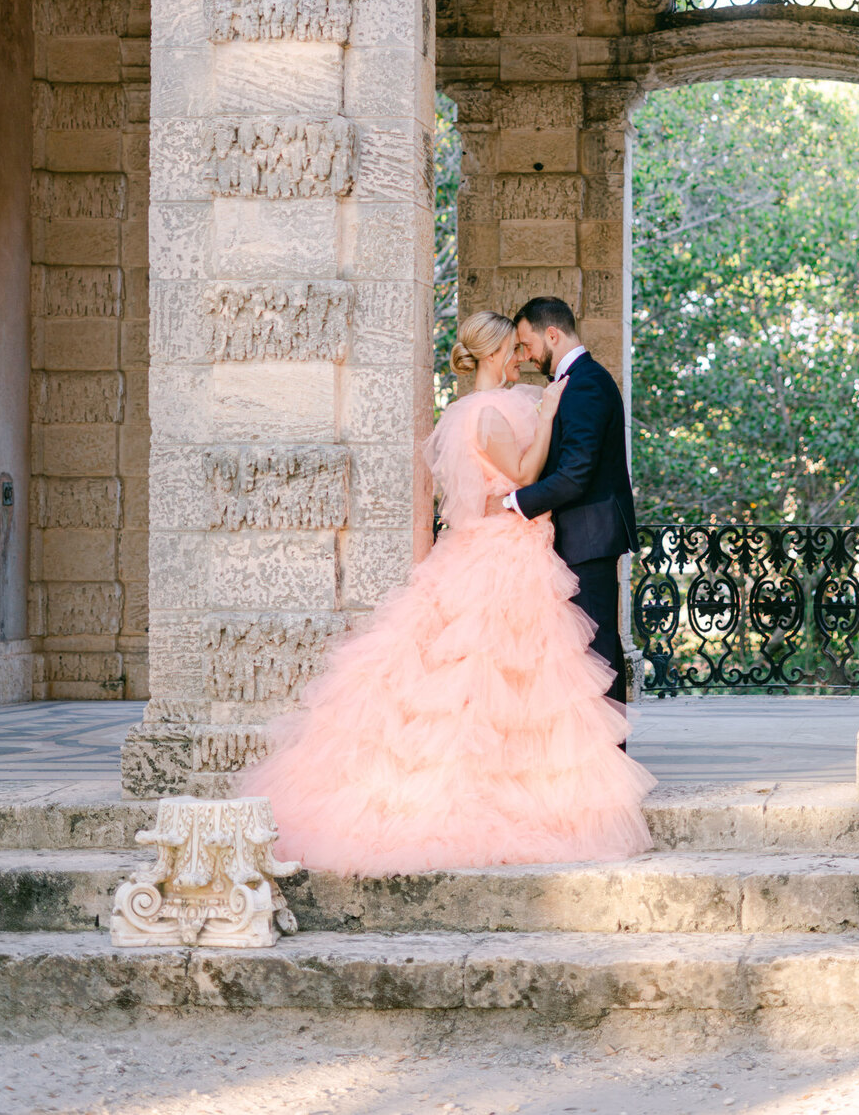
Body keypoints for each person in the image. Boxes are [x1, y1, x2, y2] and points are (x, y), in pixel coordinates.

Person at [242, 309, 654, 875]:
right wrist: (544, 428)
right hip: (509, 544)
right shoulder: (495, 411)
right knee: (507, 669)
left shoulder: (482, 407)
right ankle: (514, 783)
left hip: (515, 541)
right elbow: (531, 474)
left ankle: (545, 776)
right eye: (514, 349)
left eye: (524, 346)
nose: (522, 357)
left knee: (530, 670)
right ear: (492, 354)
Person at [491, 296, 639, 708]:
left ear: (551, 334)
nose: (527, 354)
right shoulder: (574, 382)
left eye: (528, 343)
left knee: (597, 652)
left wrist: (513, 503)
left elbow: (576, 473)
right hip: (580, 536)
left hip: (588, 538)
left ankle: (611, 758)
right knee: (582, 652)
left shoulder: (586, 382)